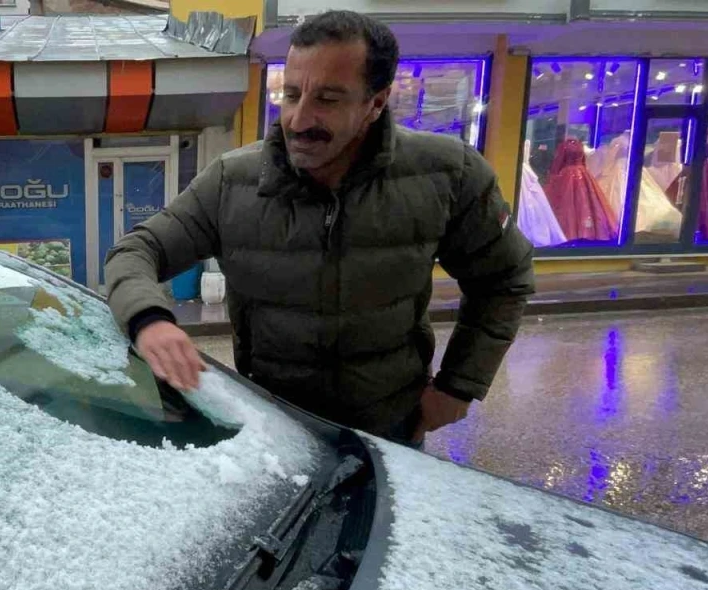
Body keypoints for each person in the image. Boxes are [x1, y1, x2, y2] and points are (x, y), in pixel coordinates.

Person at [103, 10, 535, 448]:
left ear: (377, 102)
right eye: (290, 94)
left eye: (327, 99)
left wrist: (458, 387)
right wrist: (149, 320)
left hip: (390, 431)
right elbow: (136, 251)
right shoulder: (233, 181)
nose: (298, 119)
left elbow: (504, 279)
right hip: (274, 431)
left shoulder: (449, 174)